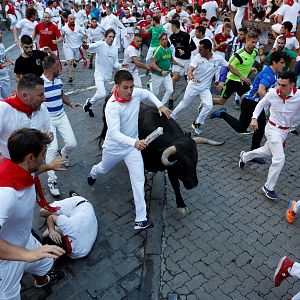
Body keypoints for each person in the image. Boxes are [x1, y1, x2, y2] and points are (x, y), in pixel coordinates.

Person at [87, 70, 171, 230]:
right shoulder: (112, 107)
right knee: (103, 169)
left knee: (139, 180)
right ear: (116, 87)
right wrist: (135, 142)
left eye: (131, 87)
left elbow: (147, 93)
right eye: (125, 88)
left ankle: (140, 219)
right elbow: (114, 133)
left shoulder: (135, 93)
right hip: (114, 148)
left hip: (132, 149)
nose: (130, 91)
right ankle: (93, 172)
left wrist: (160, 105)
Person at [0, 128, 66, 299]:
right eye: (43, 153)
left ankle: (42, 281)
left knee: (43, 262)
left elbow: (34, 171)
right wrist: (27, 255)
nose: (45, 157)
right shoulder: (6, 195)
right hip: (6, 258)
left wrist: (49, 166)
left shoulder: (18, 170)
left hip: (23, 239)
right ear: (30, 157)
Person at [210, 52, 286, 162]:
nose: (283, 65)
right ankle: (223, 114)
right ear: (274, 62)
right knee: (244, 128)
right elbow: (261, 90)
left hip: (254, 103)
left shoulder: (274, 72)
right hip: (250, 103)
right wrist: (272, 103)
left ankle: (252, 154)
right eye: (282, 63)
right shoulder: (268, 74)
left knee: (256, 128)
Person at [239, 72, 300, 200]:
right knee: (279, 159)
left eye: (283, 85)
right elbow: (261, 104)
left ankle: (245, 156)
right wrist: (254, 118)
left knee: (266, 152)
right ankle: (268, 187)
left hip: (285, 131)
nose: (280, 87)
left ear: (292, 85)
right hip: (272, 129)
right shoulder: (272, 92)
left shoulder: (299, 96)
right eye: (279, 84)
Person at [171, 39, 242, 136]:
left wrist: (241, 76)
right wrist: (192, 77)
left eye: (201, 49)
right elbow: (190, 70)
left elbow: (230, 67)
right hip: (193, 86)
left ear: (208, 50)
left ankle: (197, 123)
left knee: (208, 105)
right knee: (184, 104)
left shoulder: (218, 58)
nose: (198, 51)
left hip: (205, 88)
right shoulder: (197, 57)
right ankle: (171, 117)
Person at [42, 54, 80, 197]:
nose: (60, 67)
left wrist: (70, 103)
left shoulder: (57, 80)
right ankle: (52, 180)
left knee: (72, 144)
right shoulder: (40, 83)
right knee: (52, 148)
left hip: (62, 115)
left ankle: (63, 155)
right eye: (58, 65)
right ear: (52, 68)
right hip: (49, 119)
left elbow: (61, 95)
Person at [40, 191, 98, 259]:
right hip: (80, 204)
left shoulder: (78, 254)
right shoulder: (69, 227)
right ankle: (75, 197)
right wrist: (52, 231)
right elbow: (50, 217)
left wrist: (51, 230)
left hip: (84, 217)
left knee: (43, 213)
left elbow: (50, 217)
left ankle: (66, 207)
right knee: (44, 216)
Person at [213, 31, 259, 106]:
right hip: (231, 81)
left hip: (242, 82)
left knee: (248, 102)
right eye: (252, 42)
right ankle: (206, 103)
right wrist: (221, 80)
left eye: (256, 42)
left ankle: (248, 116)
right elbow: (226, 66)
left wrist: (251, 69)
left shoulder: (255, 51)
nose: (254, 45)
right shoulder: (238, 54)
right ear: (246, 41)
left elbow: (247, 63)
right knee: (221, 102)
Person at [83, 29, 120, 117]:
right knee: (102, 93)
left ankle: (90, 103)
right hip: (99, 74)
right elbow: (89, 47)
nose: (111, 39)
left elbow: (115, 63)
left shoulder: (115, 49)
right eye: (110, 37)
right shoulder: (100, 44)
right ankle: (89, 103)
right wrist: (85, 46)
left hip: (108, 76)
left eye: (113, 37)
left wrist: (122, 66)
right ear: (105, 37)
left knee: (104, 94)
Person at [168, 20, 196, 109]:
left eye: (171, 26)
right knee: (174, 78)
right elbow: (167, 45)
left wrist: (185, 51)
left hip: (187, 60)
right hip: (177, 59)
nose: (170, 28)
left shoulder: (186, 36)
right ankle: (171, 99)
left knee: (187, 79)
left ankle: (188, 98)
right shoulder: (171, 36)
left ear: (174, 27)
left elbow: (194, 47)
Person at [150, 32, 183, 105]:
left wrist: (178, 64)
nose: (164, 41)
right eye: (162, 39)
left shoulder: (169, 50)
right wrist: (161, 71)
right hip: (157, 74)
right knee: (155, 93)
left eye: (165, 39)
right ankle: (150, 84)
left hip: (166, 73)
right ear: (159, 41)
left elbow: (171, 60)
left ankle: (162, 104)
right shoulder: (158, 51)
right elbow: (152, 64)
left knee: (170, 90)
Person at [61, 14, 87, 83]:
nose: (72, 20)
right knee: (70, 61)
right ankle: (70, 76)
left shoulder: (78, 27)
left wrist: (84, 39)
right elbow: (62, 35)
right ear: (68, 20)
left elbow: (84, 34)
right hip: (69, 46)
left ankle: (75, 62)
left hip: (77, 47)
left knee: (76, 60)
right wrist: (63, 39)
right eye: (71, 19)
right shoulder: (64, 28)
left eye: (73, 19)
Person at [0, 29, 14, 100]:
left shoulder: (1, 45)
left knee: (8, 98)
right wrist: (3, 65)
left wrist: (12, 61)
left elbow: (4, 57)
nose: (0, 36)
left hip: (4, 76)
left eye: (1, 33)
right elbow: (3, 64)